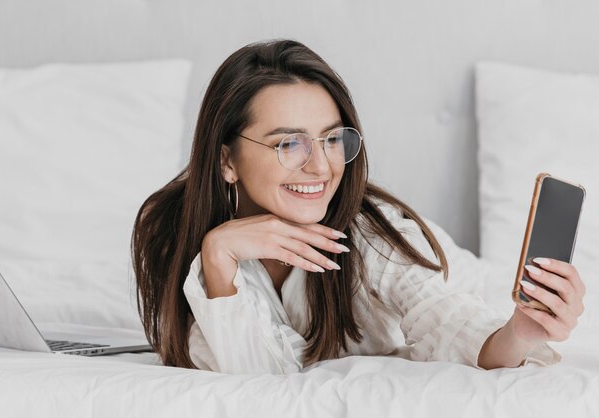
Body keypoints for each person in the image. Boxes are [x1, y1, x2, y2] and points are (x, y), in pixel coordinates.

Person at [131, 39, 585, 374]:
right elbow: (253, 377)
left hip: (453, 278)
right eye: (289, 143)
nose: (321, 166)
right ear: (227, 159)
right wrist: (218, 256)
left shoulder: (376, 236)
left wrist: (521, 331)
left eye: (332, 138)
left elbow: (448, 322)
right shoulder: (173, 229)